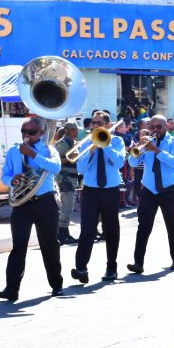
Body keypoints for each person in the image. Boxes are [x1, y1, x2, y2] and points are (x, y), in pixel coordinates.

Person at [0, 118, 63, 301]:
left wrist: (33, 154)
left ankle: (57, 285)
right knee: (18, 246)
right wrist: (12, 181)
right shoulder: (14, 150)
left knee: (49, 244)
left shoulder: (48, 149)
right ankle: (11, 289)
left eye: (31, 132)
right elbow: (4, 176)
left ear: (40, 133)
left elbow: (56, 167)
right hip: (22, 203)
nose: (26, 135)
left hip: (45, 202)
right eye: (23, 131)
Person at [71, 113, 126, 283]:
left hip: (110, 191)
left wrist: (105, 145)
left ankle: (111, 268)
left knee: (111, 230)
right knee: (87, 230)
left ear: (108, 124)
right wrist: (92, 150)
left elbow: (119, 163)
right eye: (93, 123)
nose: (94, 126)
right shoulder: (87, 142)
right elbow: (80, 168)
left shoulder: (117, 141)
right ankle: (81, 268)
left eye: (99, 123)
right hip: (91, 191)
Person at [127, 115, 174, 274]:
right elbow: (133, 163)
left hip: (168, 190)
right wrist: (138, 148)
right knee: (143, 227)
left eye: (159, 127)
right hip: (149, 190)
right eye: (152, 127)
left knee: (172, 227)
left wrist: (157, 150)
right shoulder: (146, 143)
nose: (155, 130)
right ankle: (138, 262)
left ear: (166, 127)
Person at [54, 122, 79, 245]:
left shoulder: (72, 142)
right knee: (67, 207)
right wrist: (70, 158)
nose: (77, 131)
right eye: (75, 129)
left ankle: (65, 232)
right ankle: (60, 233)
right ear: (69, 130)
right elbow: (56, 160)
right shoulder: (63, 143)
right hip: (65, 177)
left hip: (71, 177)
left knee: (69, 207)